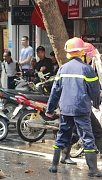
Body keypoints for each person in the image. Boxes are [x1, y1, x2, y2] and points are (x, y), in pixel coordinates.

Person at [45, 37, 102, 177]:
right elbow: (95, 92)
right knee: (87, 137)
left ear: (68, 52)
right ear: (82, 52)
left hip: (65, 109)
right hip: (81, 109)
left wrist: (50, 109)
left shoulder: (62, 68)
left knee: (62, 135)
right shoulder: (87, 69)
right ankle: (93, 169)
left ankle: (53, 166)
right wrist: (95, 103)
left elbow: (55, 91)